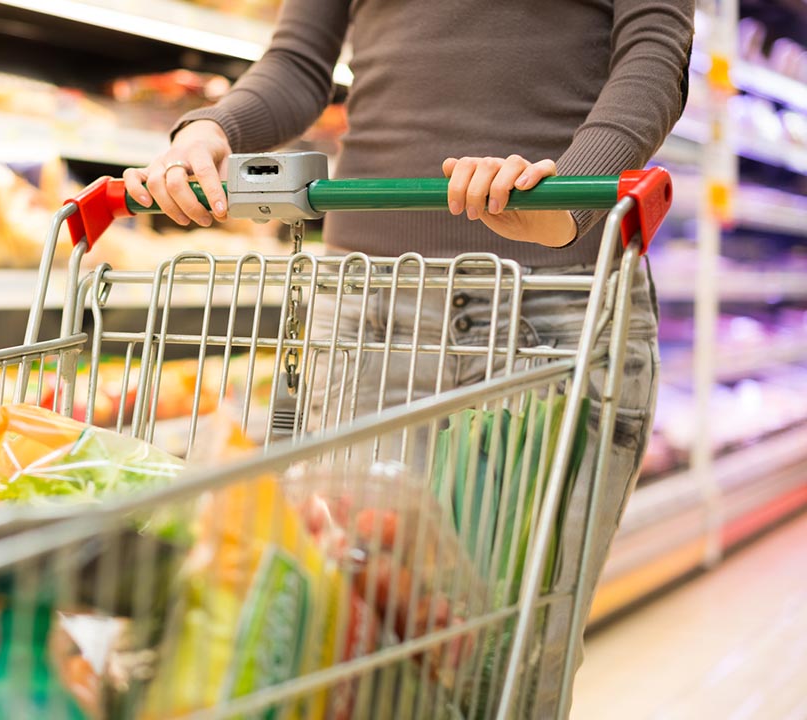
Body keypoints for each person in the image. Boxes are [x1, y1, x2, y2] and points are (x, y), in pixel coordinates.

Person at [123, 1, 694, 717]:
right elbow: (302, 61)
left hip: (549, 310)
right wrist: (212, 129)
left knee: (502, 663)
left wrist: (567, 197)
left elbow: (654, 48)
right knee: (332, 631)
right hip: (366, 309)